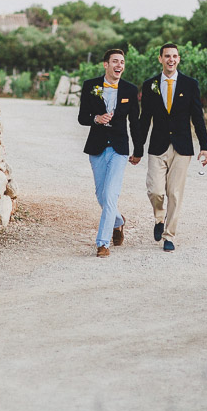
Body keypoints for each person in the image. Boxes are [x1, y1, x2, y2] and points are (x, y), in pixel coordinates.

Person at [136, 43, 207, 252]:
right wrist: (138, 149)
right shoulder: (150, 85)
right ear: (160, 59)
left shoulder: (190, 84)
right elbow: (144, 119)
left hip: (182, 147)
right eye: (167, 56)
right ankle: (159, 218)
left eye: (175, 56)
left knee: (175, 193)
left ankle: (169, 235)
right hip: (157, 145)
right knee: (156, 191)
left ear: (178, 59)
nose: (171, 60)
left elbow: (198, 117)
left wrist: (204, 146)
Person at [78, 48, 144, 258]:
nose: (119, 66)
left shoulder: (130, 90)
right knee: (101, 195)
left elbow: (135, 122)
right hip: (96, 146)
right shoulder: (91, 86)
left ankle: (102, 243)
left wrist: (138, 149)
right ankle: (118, 221)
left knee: (111, 193)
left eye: (122, 62)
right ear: (105, 64)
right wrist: (96, 118)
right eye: (115, 61)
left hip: (119, 148)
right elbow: (82, 117)